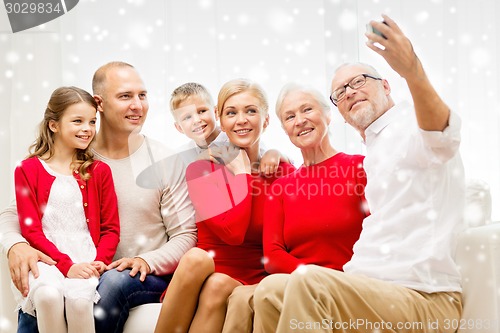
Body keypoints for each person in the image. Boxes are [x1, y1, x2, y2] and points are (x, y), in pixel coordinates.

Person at [253, 14, 465, 333]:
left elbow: (443, 134)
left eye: (359, 81)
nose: (349, 92)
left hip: (424, 297)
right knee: (269, 293)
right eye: (340, 92)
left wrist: (413, 71)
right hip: (370, 289)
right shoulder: (373, 153)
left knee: (309, 287)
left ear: (386, 85)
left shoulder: (410, 126)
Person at [1, 61, 197, 333]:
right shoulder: (72, 149)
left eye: (142, 95)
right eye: (125, 96)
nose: (138, 105)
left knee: (111, 285)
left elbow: (186, 234)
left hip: (138, 275)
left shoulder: (164, 160)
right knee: (43, 290)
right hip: (74, 265)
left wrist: (146, 261)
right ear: (99, 103)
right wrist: (14, 246)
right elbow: (16, 213)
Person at [221, 84, 369, 333]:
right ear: (284, 128)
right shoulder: (281, 186)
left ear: (328, 115)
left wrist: (326, 280)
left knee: (264, 293)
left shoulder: (359, 168)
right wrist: (311, 278)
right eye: (290, 116)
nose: (299, 121)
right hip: (298, 283)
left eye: (307, 110)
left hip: (347, 283)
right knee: (240, 298)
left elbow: (378, 234)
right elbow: (273, 256)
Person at [153, 79, 295, 333]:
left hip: (251, 274)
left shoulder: (280, 169)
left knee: (218, 285)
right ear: (221, 120)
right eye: (232, 113)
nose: (241, 120)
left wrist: (250, 170)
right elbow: (233, 232)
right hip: (205, 270)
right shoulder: (202, 168)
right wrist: (242, 175)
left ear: (265, 120)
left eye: (251, 111)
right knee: (203, 266)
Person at [12, 86, 120, 333]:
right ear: (54, 125)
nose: (87, 128)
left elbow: (111, 229)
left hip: (86, 257)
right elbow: (31, 231)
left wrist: (98, 263)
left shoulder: (99, 172)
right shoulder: (27, 170)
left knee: (80, 303)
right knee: (48, 296)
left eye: (92, 121)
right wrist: (65, 265)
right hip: (47, 258)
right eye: (78, 121)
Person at [169, 81, 289, 173]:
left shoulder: (236, 137)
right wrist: (198, 163)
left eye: (202, 111)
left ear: (216, 113)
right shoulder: (180, 156)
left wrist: (275, 153)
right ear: (179, 128)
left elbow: (263, 156)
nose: (197, 120)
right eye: (187, 117)